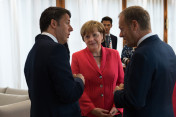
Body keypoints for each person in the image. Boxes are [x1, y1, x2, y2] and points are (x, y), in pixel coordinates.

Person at [113, 6, 176, 117]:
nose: (120, 35)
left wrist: (117, 92)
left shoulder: (141, 55)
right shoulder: (168, 48)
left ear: (134, 25)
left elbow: (135, 101)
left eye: (122, 29)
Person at [24, 7, 85, 117]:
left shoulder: (33, 50)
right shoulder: (56, 49)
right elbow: (69, 94)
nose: (71, 28)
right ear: (53, 23)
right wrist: (79, 80)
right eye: (67, 23)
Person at [71, 20, 124, 117]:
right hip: (89, 113)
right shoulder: (76, 57)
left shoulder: (114, 54)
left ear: (102, 36)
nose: (91, 39)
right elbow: (75, 87)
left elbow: (121, 82)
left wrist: (117, 105)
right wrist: (91, 109)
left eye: (95, 35)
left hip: (114, 112)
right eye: (87, 36)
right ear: (83, 39)